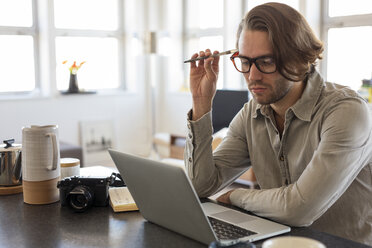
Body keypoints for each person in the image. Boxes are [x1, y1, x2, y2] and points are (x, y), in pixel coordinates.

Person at [184, 2, 372, 246]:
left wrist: (237, 196)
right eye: (245, 61)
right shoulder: (252, 113)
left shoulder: (346, 111)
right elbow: (200, 186)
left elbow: (300, 209)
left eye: (266, 62)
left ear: (299, 58)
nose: (252, 76)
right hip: (277, 241)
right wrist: (201, 103)